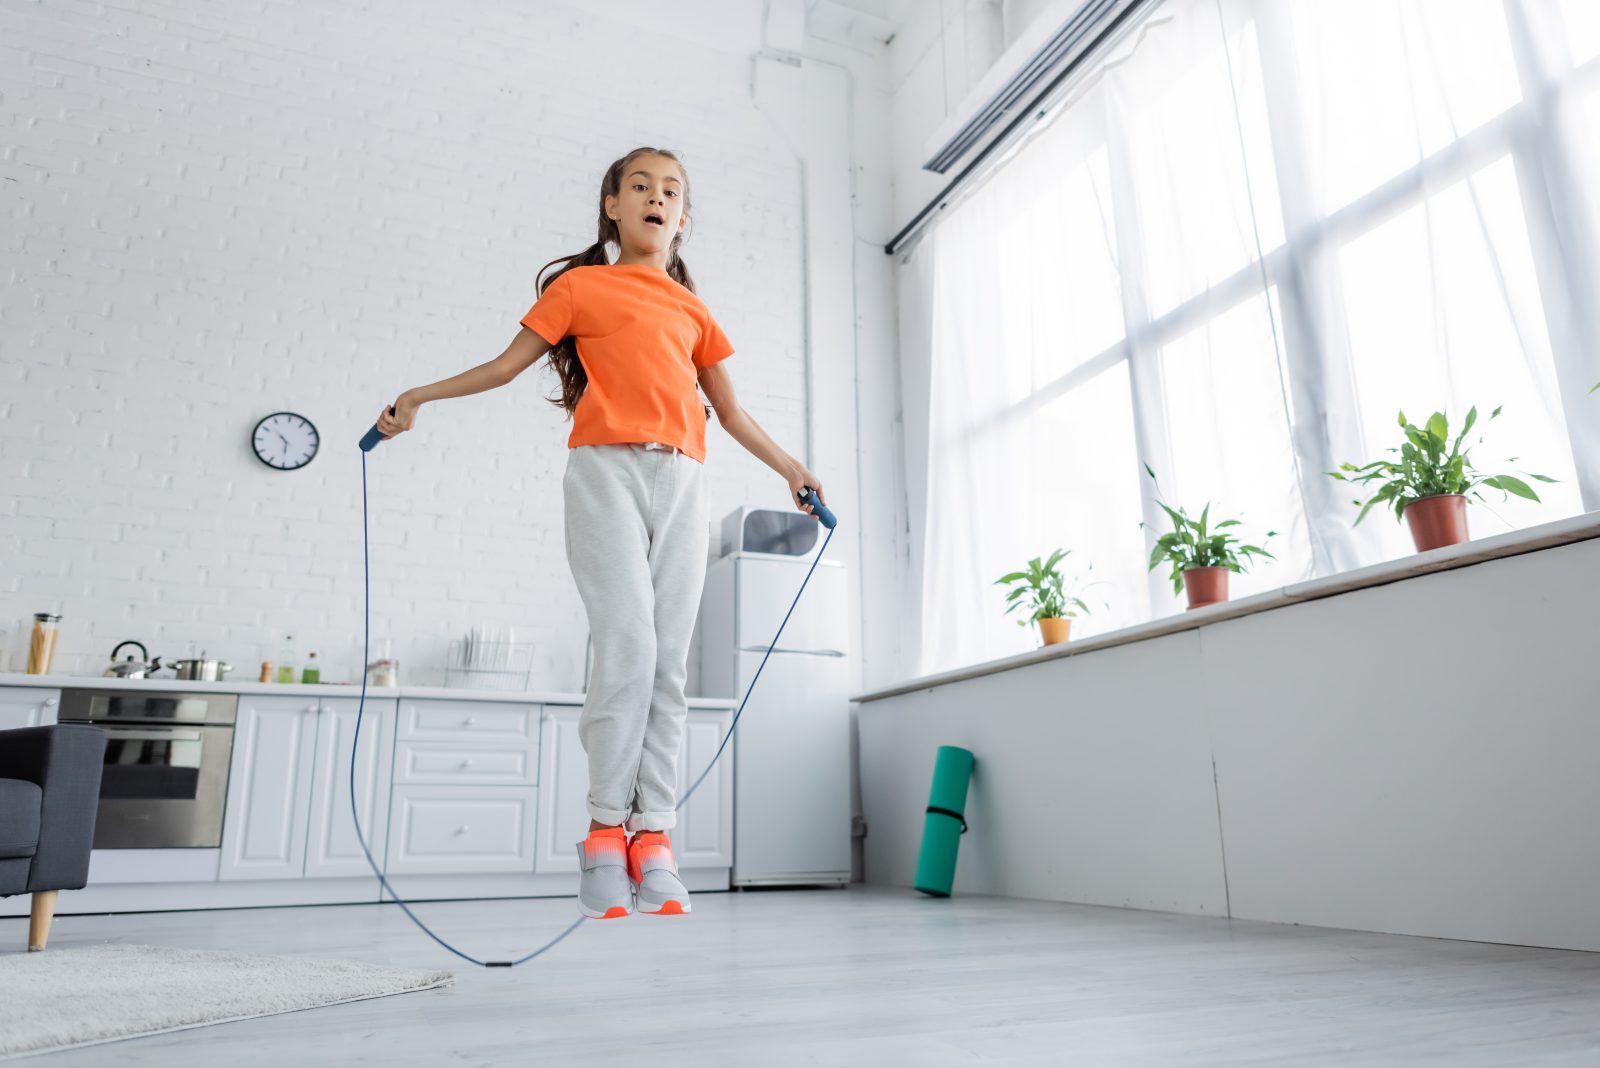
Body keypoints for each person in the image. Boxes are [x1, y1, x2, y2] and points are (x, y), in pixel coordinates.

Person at [373, 147, 827, 919]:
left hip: (682, 478)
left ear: (683, 218)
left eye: (671, 190)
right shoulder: (579, 289)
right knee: (629, 646)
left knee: (670, 664)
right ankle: (604, 830)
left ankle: (654, 835)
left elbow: (731, 411)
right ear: (613, 206)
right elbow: (504, 367)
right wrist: (419, 395)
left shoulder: (693, 310)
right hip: (604, 473)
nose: (657, 197)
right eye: (640, 186)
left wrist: (791, 468)